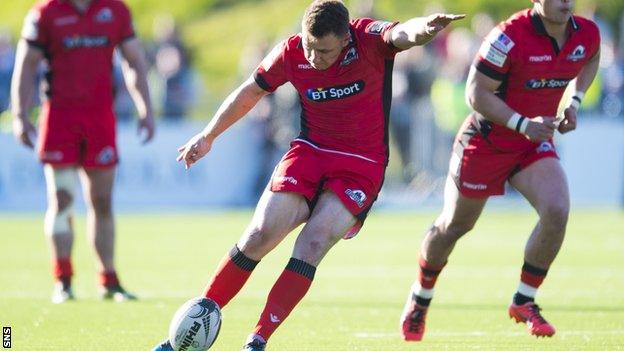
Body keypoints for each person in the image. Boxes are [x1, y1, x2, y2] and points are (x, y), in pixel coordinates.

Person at [153, 1, 463, 350]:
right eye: (309, 46)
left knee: (312, 243)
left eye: (325, 50)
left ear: (345, 39)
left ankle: (257, 340)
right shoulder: (290, 52)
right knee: (258, 235)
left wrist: (426, 27)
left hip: (362, 164)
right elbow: (252, 90)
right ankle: (191, 326)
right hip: (311, 153)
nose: (314, 57)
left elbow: (404, 32)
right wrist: (209, 135)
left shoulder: (367, 39)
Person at [400, 0, 600, 341]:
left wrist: (574, 102)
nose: (567, 2)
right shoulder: (508, 35)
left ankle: (524, 300)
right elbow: (475, 92)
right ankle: (420, 297)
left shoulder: (587, 33)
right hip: (487, 141)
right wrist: (522, 123)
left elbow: (592, 56)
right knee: (454, 226)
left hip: (530, 143)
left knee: (557, 209)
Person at [11, 0, 155, 303]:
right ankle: (63, 280)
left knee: (102, 201)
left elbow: (134, 61)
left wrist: (145, 108)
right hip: (60, 119)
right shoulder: (44, 13)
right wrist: (20, 115)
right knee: (61, 200)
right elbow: (27, 64)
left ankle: (109, 280)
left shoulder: (115, 11)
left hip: (100, 118)